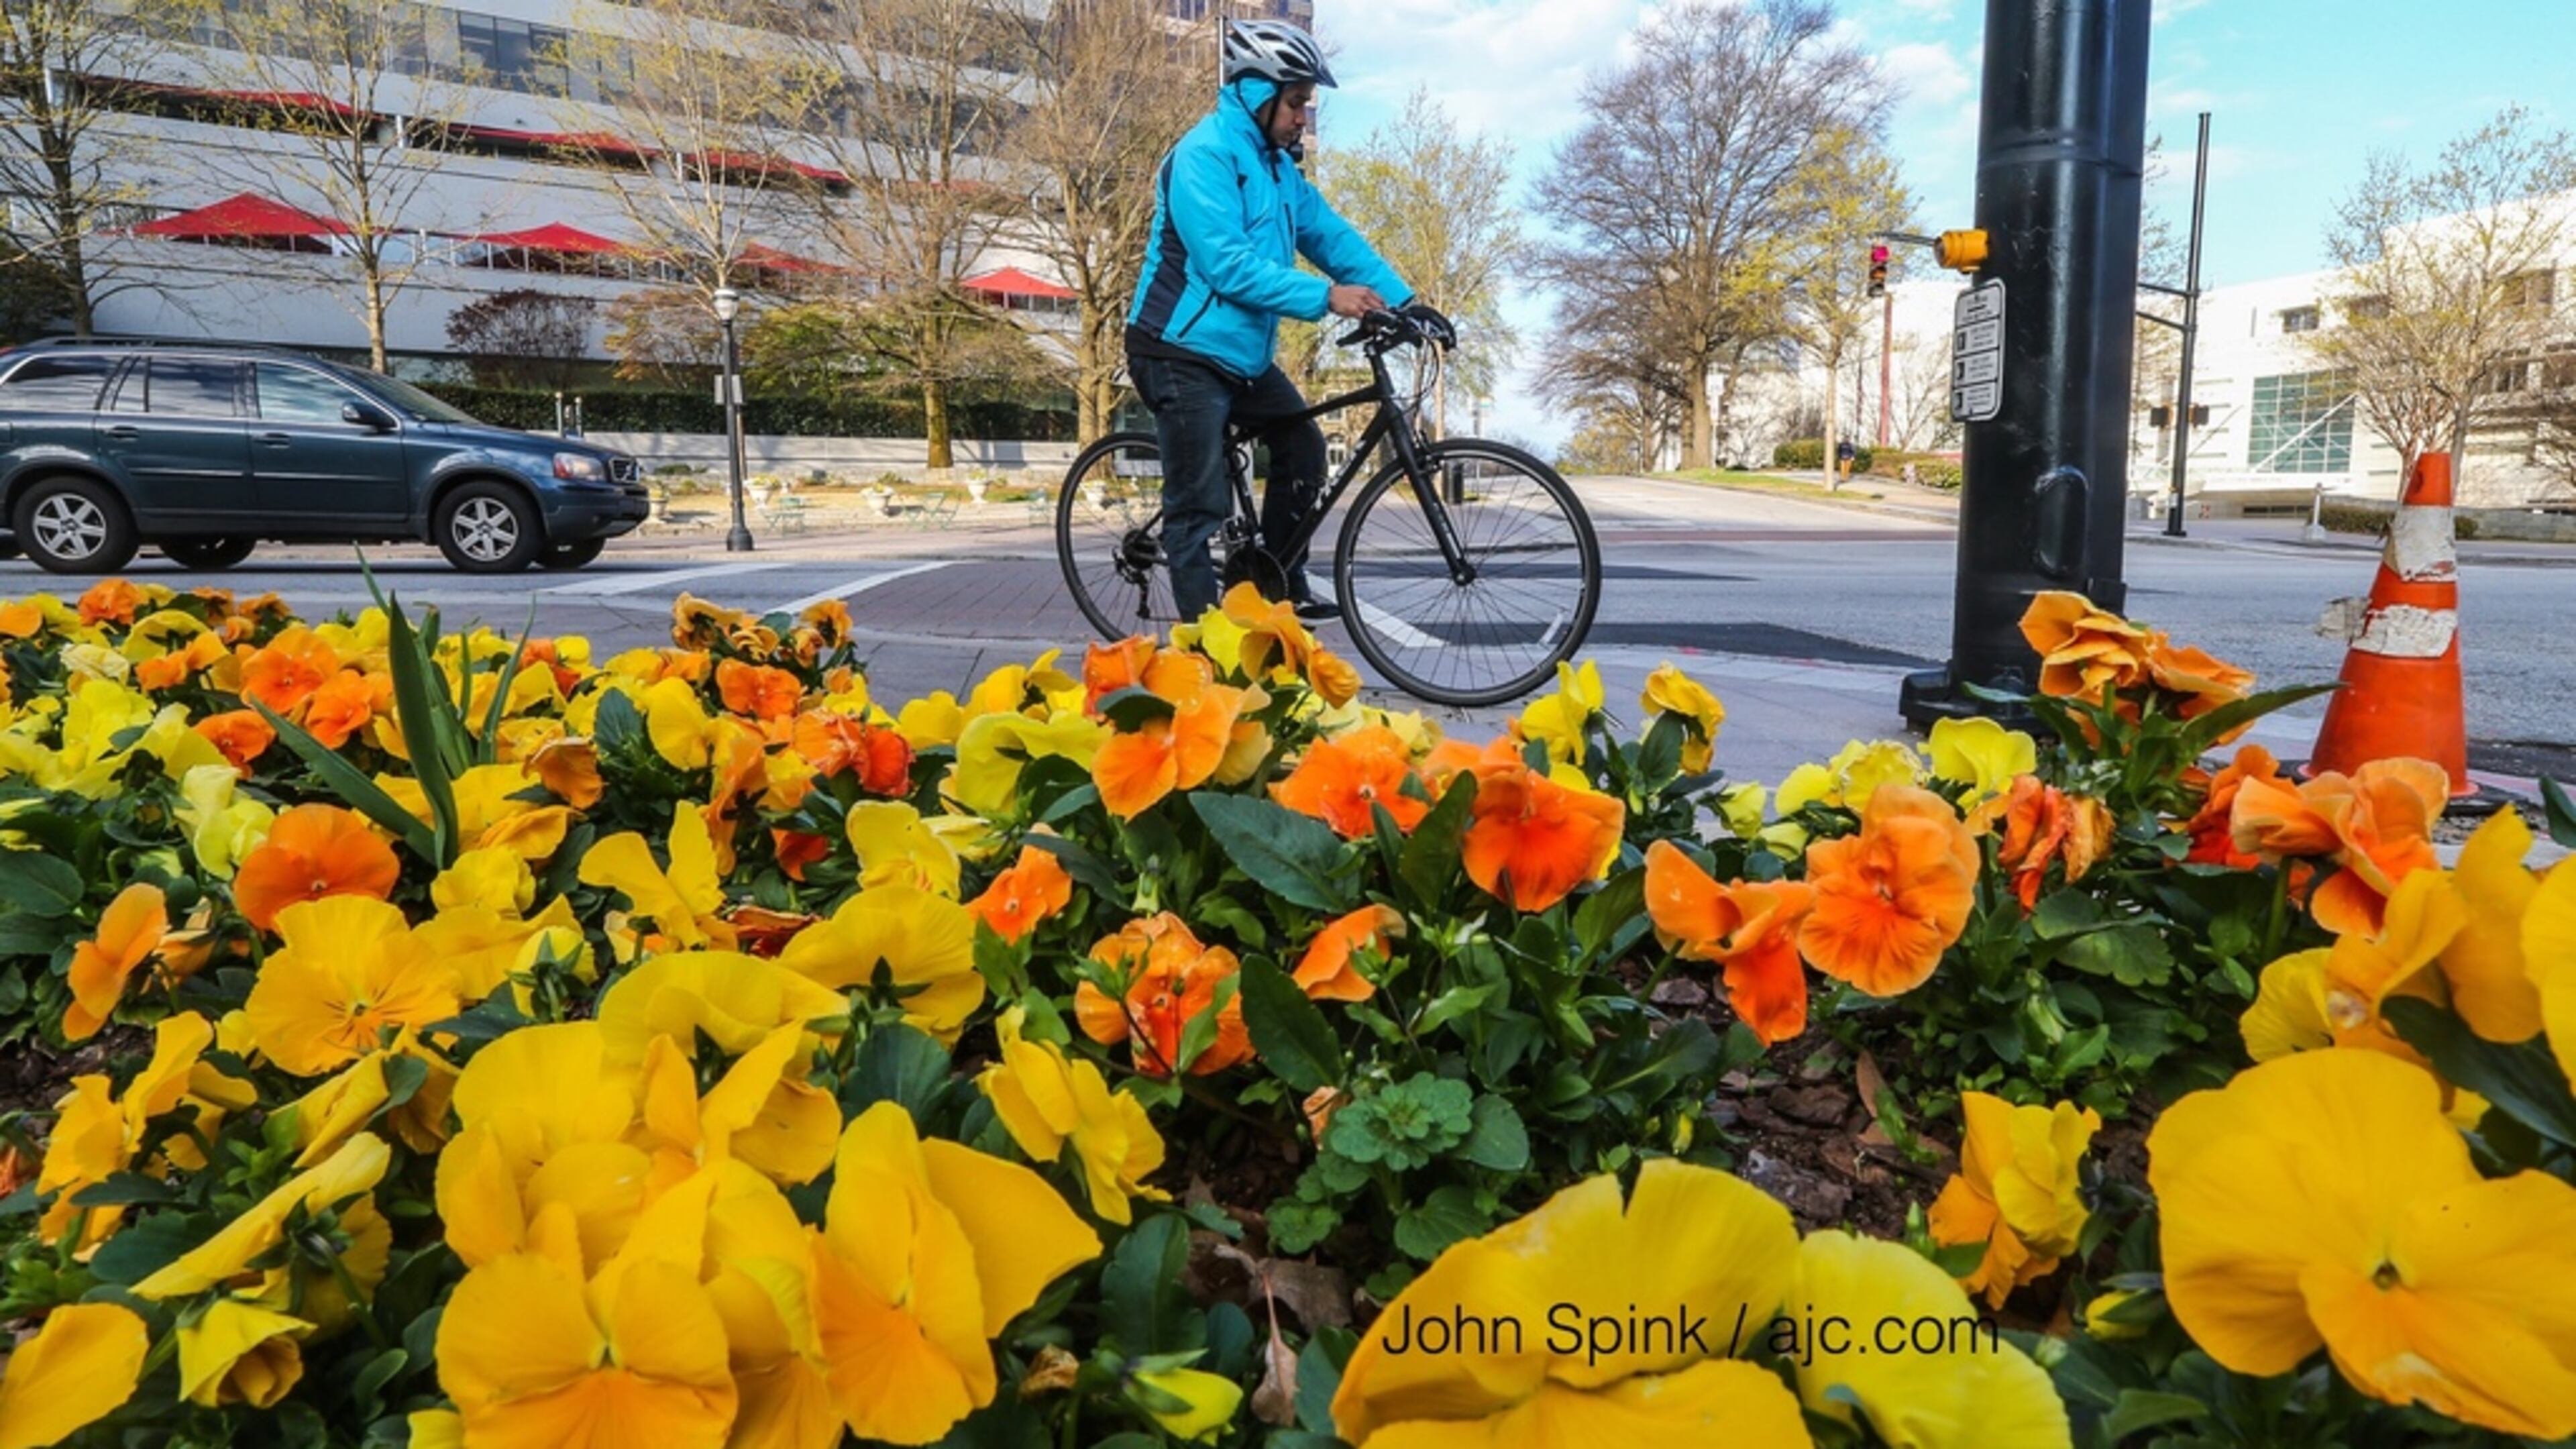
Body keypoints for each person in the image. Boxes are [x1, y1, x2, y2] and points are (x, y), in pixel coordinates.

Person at [1124, 19, 1426, 621]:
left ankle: (1276, 588)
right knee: (1199, 505)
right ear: (1257, 94)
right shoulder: (1204, 155)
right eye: (1295, 102)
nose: (1301, 117)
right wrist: (1326, 298)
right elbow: (1226, 265)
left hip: (1240, 357)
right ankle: (1209, 658)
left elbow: (1334, 238)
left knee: (1304, 448)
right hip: (1177, 349)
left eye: (1306, 104)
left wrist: (1406, 304)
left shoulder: (1282, 172)